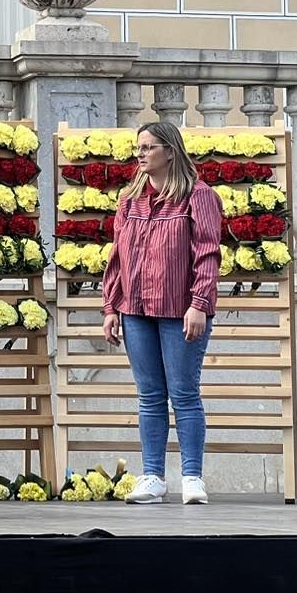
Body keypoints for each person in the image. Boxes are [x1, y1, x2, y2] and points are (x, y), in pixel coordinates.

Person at [102, 120, 224, 506]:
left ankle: (192, 477)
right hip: (135, 309)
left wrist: (199, 304)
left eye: (149, 147)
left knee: (184, 394)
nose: (141, 154)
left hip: (180, 309)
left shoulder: (198, 196)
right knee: (149, 395)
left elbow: (207, 254)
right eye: (138, 147)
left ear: (170, 151)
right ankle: (152, 476)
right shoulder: (129, 201)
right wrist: (110, 307)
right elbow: (117, 258)